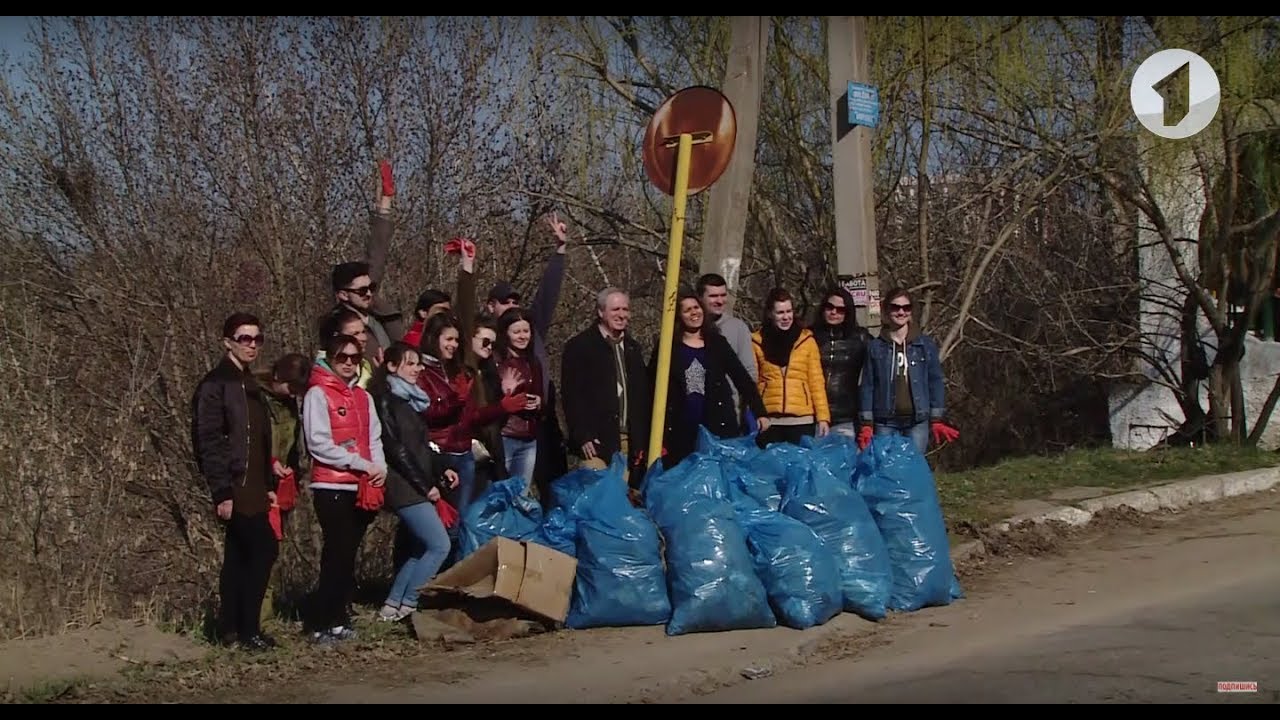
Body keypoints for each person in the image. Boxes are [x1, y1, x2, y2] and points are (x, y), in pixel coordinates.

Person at [190, 312, 279, 651]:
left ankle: (231, 630)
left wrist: (270, 483)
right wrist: (221, 490)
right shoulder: (216, 384)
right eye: (244, 338)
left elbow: (260, 438)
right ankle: (247, 628)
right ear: (227, 341)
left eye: (257, 338)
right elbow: (208, 440)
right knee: (262, 548)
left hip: (256, 481)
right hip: (234, 483)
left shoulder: (250, 383)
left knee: (240, 555)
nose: (252, 345)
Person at [302, 333, 387, 644]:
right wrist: (361, 464)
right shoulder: (318, 394)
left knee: (348, 556)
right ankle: (319, 621)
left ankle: (338, 617)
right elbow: (319, 444)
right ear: (330, 359)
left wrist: (379, 469)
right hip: (332, 484)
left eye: (354, 358)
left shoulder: (363, 397)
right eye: (342, 358)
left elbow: (374, 438)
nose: (349, 363)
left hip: (361, 485)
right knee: (335, 555)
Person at [368, 342, 459, 622]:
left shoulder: (411, 401)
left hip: (418, 480)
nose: (418, 369)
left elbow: (422, 445)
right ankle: (410, 601)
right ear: (392, 366)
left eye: (418, 363)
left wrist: (442, 468)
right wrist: (425, 486)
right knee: (440, 545)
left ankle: (393, 605)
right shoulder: (386, 401)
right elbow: (397, 450)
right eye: (410, 363)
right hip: (404, 484)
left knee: (423, 547)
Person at [650, 289, 768, 469]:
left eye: (696, 307)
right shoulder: (667, 345)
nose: (694, 313)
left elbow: (741, 378)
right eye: (687, 310)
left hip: (716, 425)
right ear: (679, 316)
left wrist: (760, 411)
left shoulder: (717, 342)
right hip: (680, 430)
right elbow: (651, 385)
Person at [561, 287, 652, 486]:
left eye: (625, 310)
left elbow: (641, 397)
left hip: (630, 441)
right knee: (600, 498)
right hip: (596, 441)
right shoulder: (580, 347)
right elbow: (571, 396)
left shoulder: (633, 349)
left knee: (626, 500)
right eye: (615, 309)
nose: (621, 315)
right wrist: (582, 435)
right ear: (601, 312)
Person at [857, 288, 959, 455]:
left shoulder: (924, 345)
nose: (901, 312)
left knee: (914, 469)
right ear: (886, 310)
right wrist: (867, 423)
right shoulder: (875, 347)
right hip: (885, 421)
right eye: (895, 307)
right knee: (886, 470)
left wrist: (936, 418)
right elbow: (868, 385)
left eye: (906, 307)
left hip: (917, 420)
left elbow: (935, 381)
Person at [751, 287, 831, 446]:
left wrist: (823, 418)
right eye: (780, 313)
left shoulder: (806, 340)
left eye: (789, 311)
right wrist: (755, 414)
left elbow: (816, 382)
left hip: (802, 419)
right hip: (769, 420)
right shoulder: (756, 341)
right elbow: (752, 381)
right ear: (770, 314)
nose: (786, 317)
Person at [810, 286, 871, 438]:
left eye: (840, 309)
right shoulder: (808, 337)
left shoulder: (860, 338)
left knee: (845, 460)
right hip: (812, 414)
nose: (834, 313)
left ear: (848, 312)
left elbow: (879, 368)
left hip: (846, 416)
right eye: (829, 307)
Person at [697, 273, 756, 429]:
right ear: (700, 298)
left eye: (723, 295)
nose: (720, 301)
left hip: (729, 413)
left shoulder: (738, 328)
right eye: (713, 296)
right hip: (695, 412)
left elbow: (748, 372)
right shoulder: (687, 330)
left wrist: (749, 408)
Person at [494, 307, 546, 483]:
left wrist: (539, 401)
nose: (523, 336)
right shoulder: (496, 361)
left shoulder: (533, 362)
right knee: (501, 490)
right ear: (505, 333)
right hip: (505, 435)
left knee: (521, 492)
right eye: (516, 332)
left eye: (526, 331)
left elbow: (539, 393)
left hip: (529, 437)